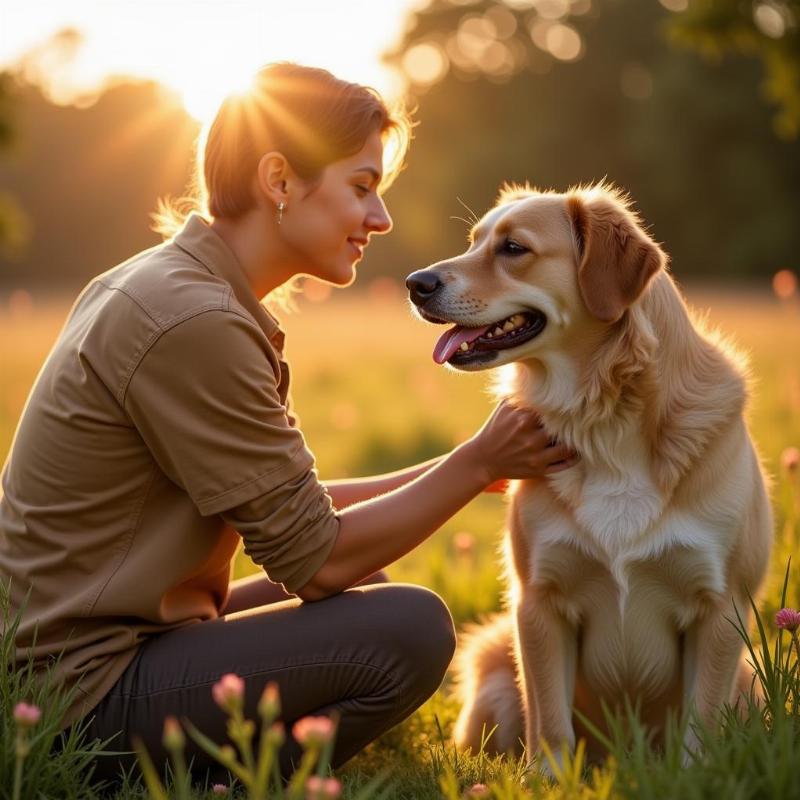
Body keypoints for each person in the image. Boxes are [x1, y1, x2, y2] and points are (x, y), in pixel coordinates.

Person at [0, 63, 578, 783]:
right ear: (279, 182)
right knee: (407, 628)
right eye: (362, 187)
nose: (381, 218)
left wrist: (462, 468)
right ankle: (216, 778)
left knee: (374, 576)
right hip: (80, 697)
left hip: (121, 643)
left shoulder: (171, 284)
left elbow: (287, 504)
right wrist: (475, 465)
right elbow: (317, 560)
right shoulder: (195, 321)